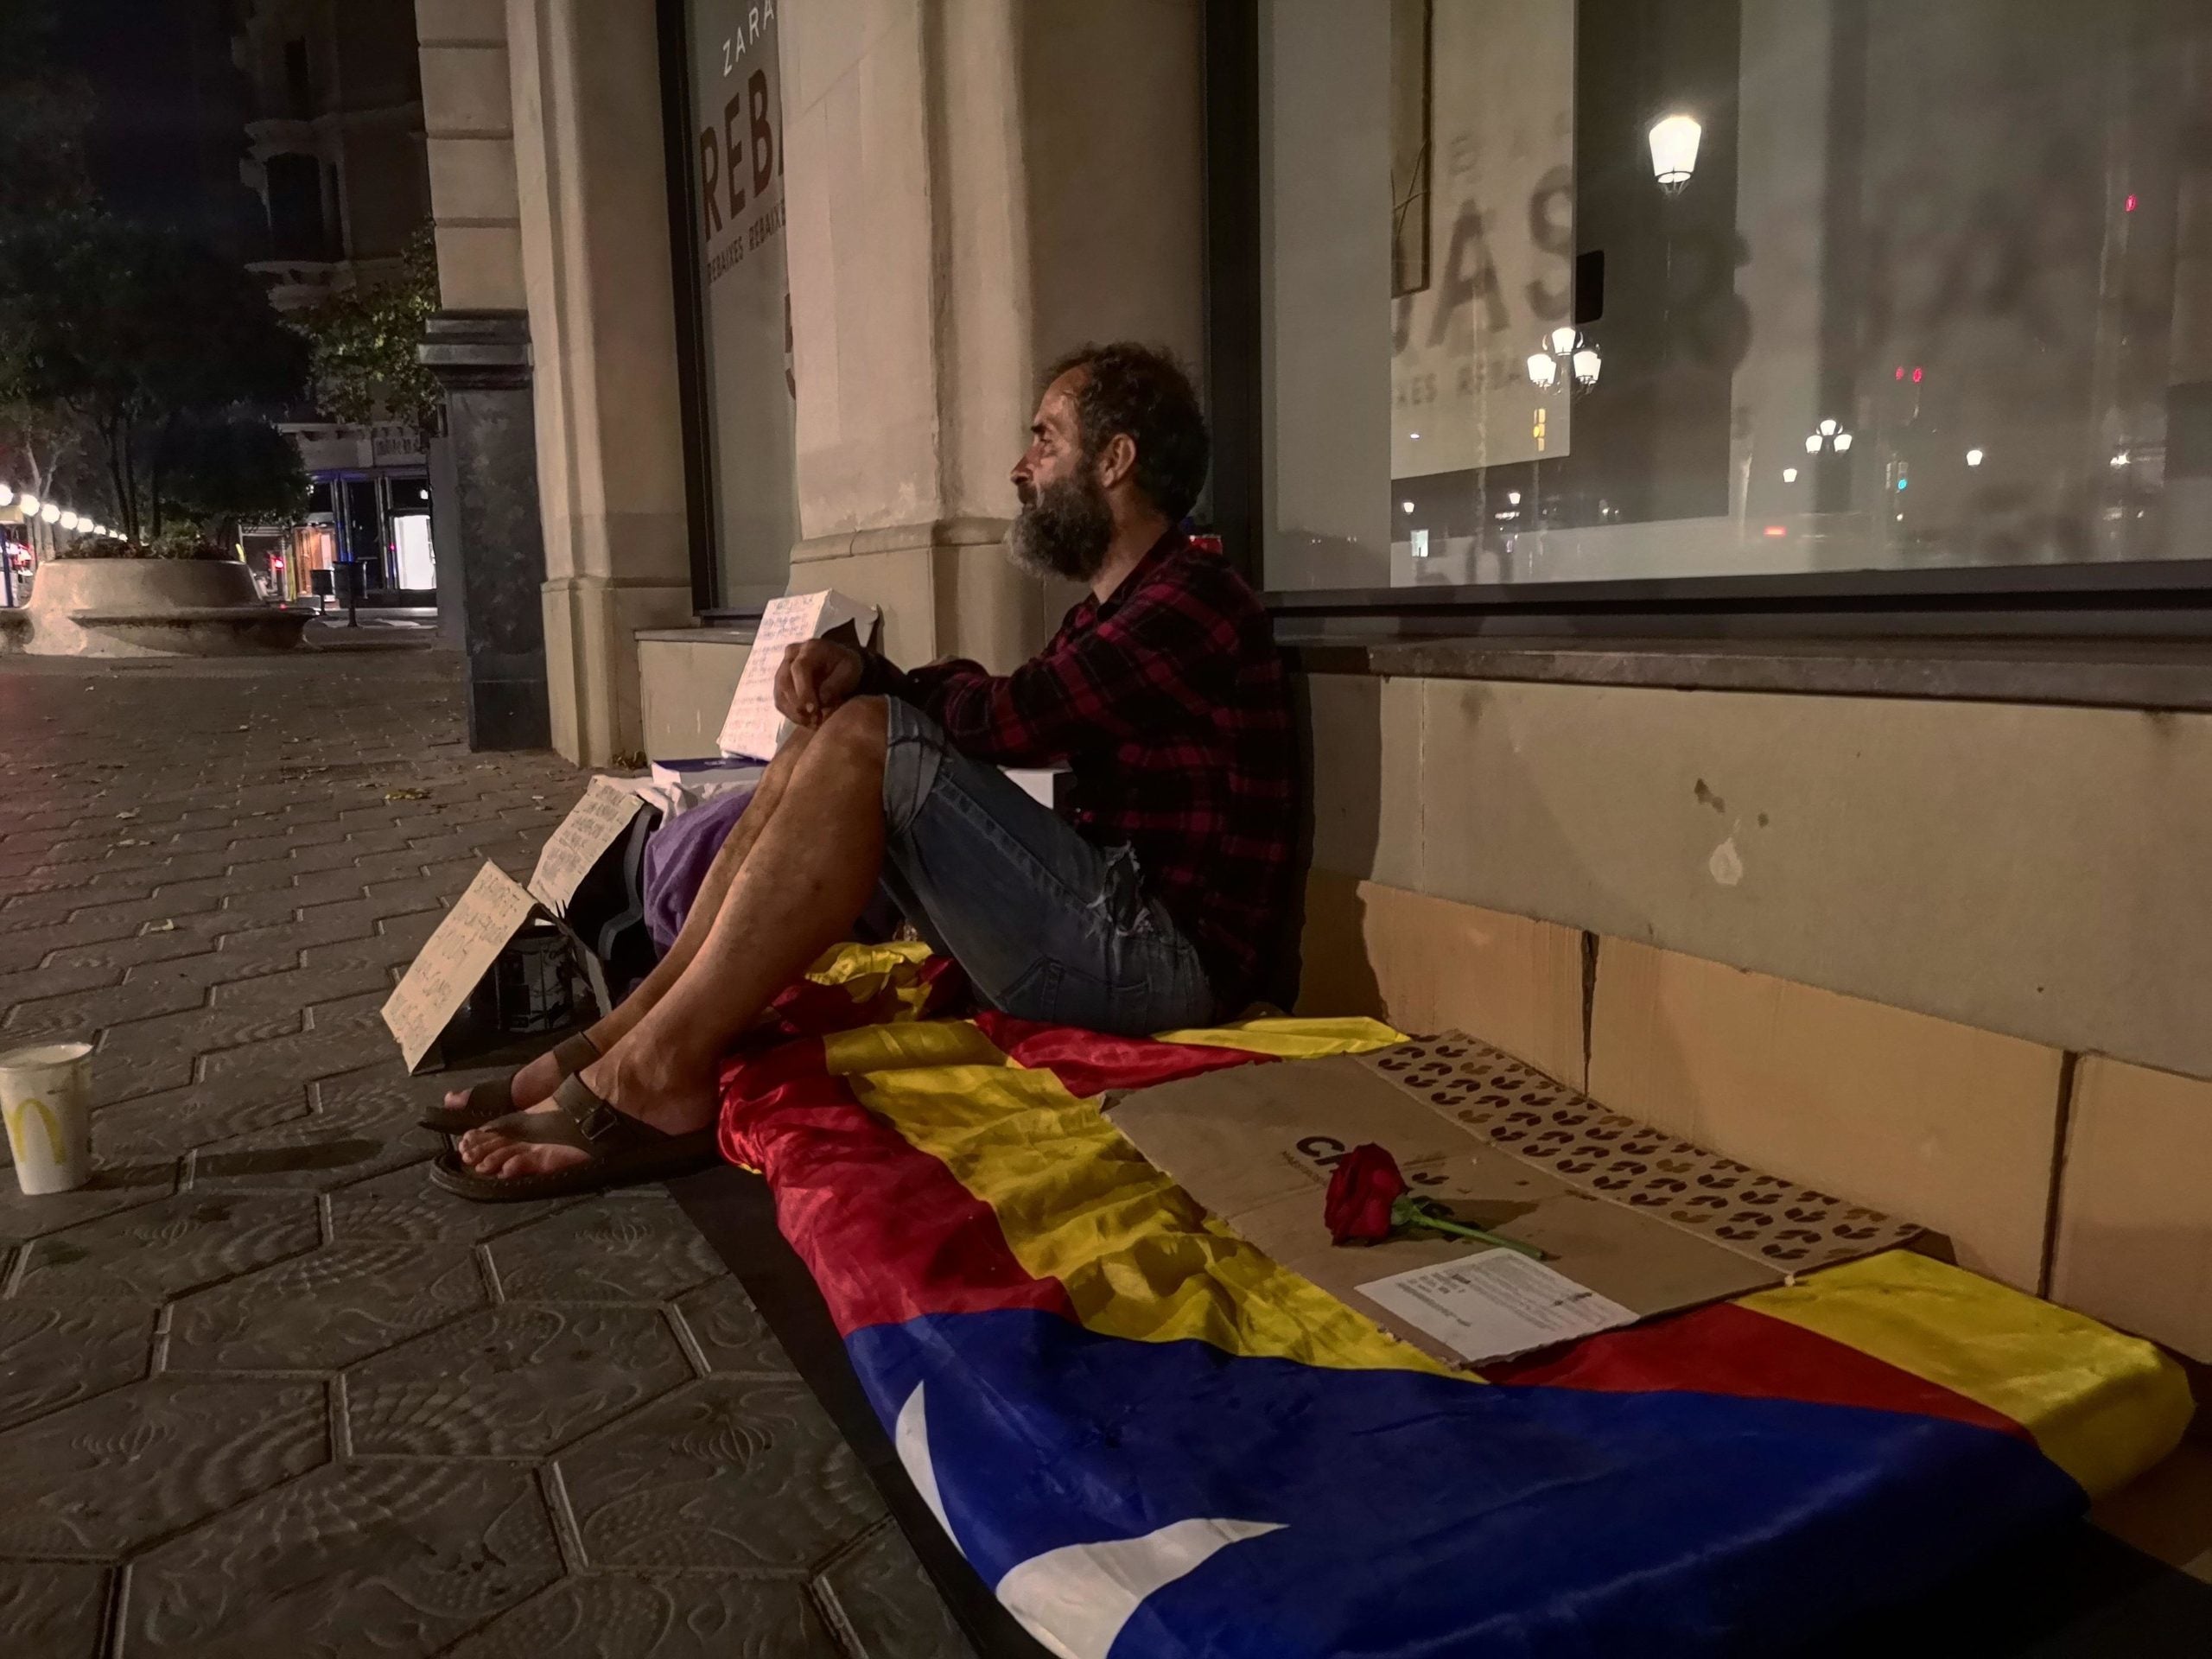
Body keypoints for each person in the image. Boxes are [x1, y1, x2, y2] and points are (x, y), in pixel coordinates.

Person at [431, 342, 1294, 1199]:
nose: (1020, 467)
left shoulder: (1197, 599)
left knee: (865, 733)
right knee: (831, 732)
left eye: (1045, 437)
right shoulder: (1107, 614)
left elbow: (1018, 716)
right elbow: (1009, 705)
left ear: (1115, 460)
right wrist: (865, 684)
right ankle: (627, 1038)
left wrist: (877, 686)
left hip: (1166, 970)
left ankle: (656, 1069)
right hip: (1114, 929)